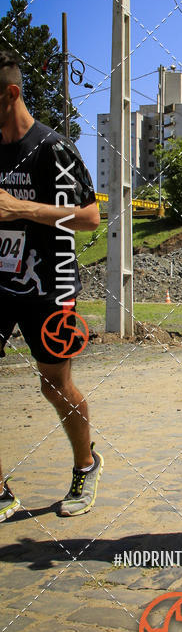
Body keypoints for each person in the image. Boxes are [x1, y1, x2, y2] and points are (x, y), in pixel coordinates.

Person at [0, 52, 102, 522]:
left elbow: (89, 217)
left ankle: (86, 464)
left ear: (11, 93)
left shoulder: (53, 148)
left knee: (54, 385)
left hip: (49, 283)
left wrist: (21, 208)